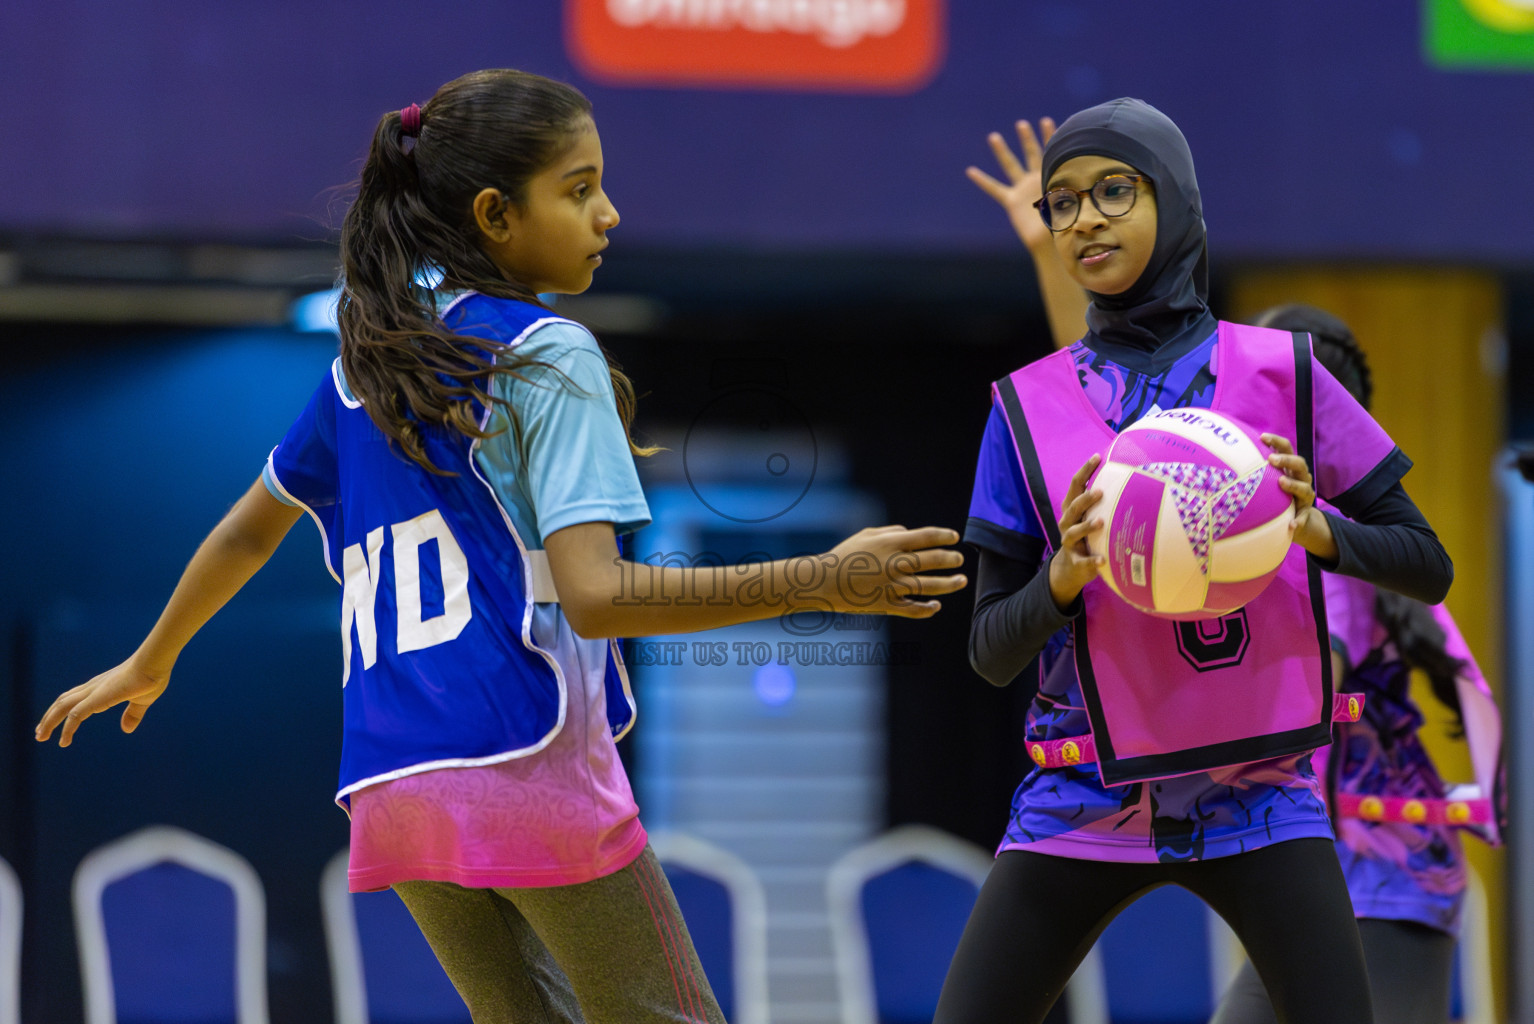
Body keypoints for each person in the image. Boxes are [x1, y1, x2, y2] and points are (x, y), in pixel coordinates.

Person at [34, 68, 967, 1024]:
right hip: (520, 753)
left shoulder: (366, 373)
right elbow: (597, 596)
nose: (609, 213)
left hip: (393, 778)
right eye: (579, 187)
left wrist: (153, 662)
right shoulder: (545, 352)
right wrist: (829, 578)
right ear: (494, 213)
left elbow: (244, 531)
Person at [936, 97, 1452, 1024]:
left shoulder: (1285, 373)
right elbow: (989, 651)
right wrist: (1063, 579)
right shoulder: (1025, 408)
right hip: (1079, 796)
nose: (1084, 217)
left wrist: (1319, 531)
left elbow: (1427, 563)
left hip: (1261, 796)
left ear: (1173, 200)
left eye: (1113, 191)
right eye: (1062, 202)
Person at [1206, 304, 1506, 1024]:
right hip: (1336, 870)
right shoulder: (1295, 537)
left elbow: (1313, 696)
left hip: (1384, 871)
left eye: (1244, 385)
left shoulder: (1326, 546)